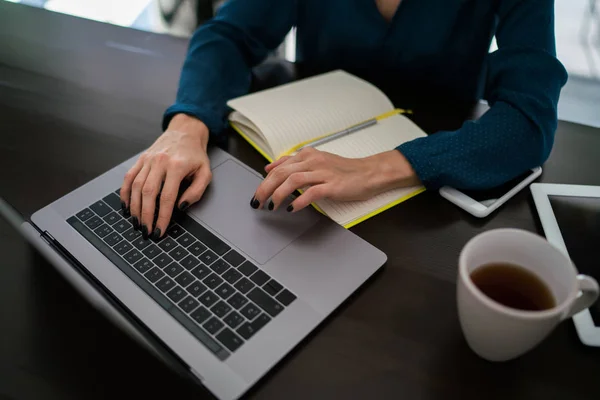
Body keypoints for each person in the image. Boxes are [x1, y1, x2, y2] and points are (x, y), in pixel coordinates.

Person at [120, 0, 567, 240]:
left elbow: (529, 117)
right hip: (309, 180)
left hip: (426, 197)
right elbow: (230, 34)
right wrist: (186, 127)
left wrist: (375, 167)